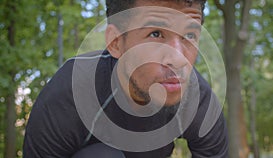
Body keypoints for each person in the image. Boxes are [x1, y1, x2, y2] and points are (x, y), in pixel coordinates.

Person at [23, 0, 228, 157]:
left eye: (190, 35)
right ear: (115, 42)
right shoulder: (71, 95)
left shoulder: (199, 101)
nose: (179, 59)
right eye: (156, 34)